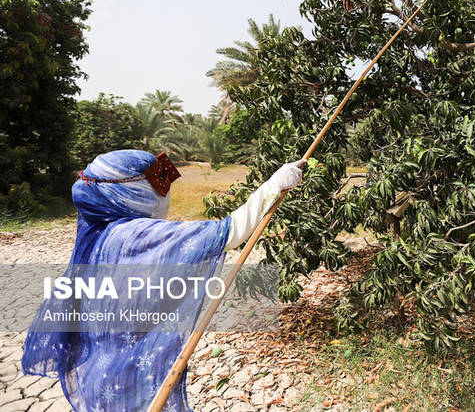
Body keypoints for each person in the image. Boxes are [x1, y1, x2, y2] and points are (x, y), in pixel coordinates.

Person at [21, 149, 305, 412]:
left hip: (101, 369)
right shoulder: (132, 234)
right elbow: (227, 232)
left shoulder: (99, 229)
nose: (165, 194)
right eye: (159, 185)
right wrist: (274, 185)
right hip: (129, 377)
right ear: (128, 191)